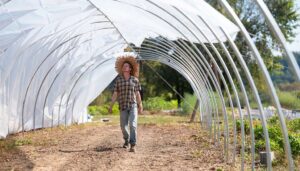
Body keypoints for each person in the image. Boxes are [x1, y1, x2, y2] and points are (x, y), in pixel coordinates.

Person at [109, 55, 143, 152]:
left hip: (133, 105)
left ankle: (133, 144)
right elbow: (115, 93)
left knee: (132, 125)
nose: (125, 67)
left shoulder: (135, 80)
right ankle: (126, 140)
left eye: (127, 66)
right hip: (123, 106)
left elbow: (137, 93)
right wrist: (111, 106)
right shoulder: (118, 80)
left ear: (130, 68)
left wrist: (140, 104)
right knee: (123, 127)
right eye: (124, 66)